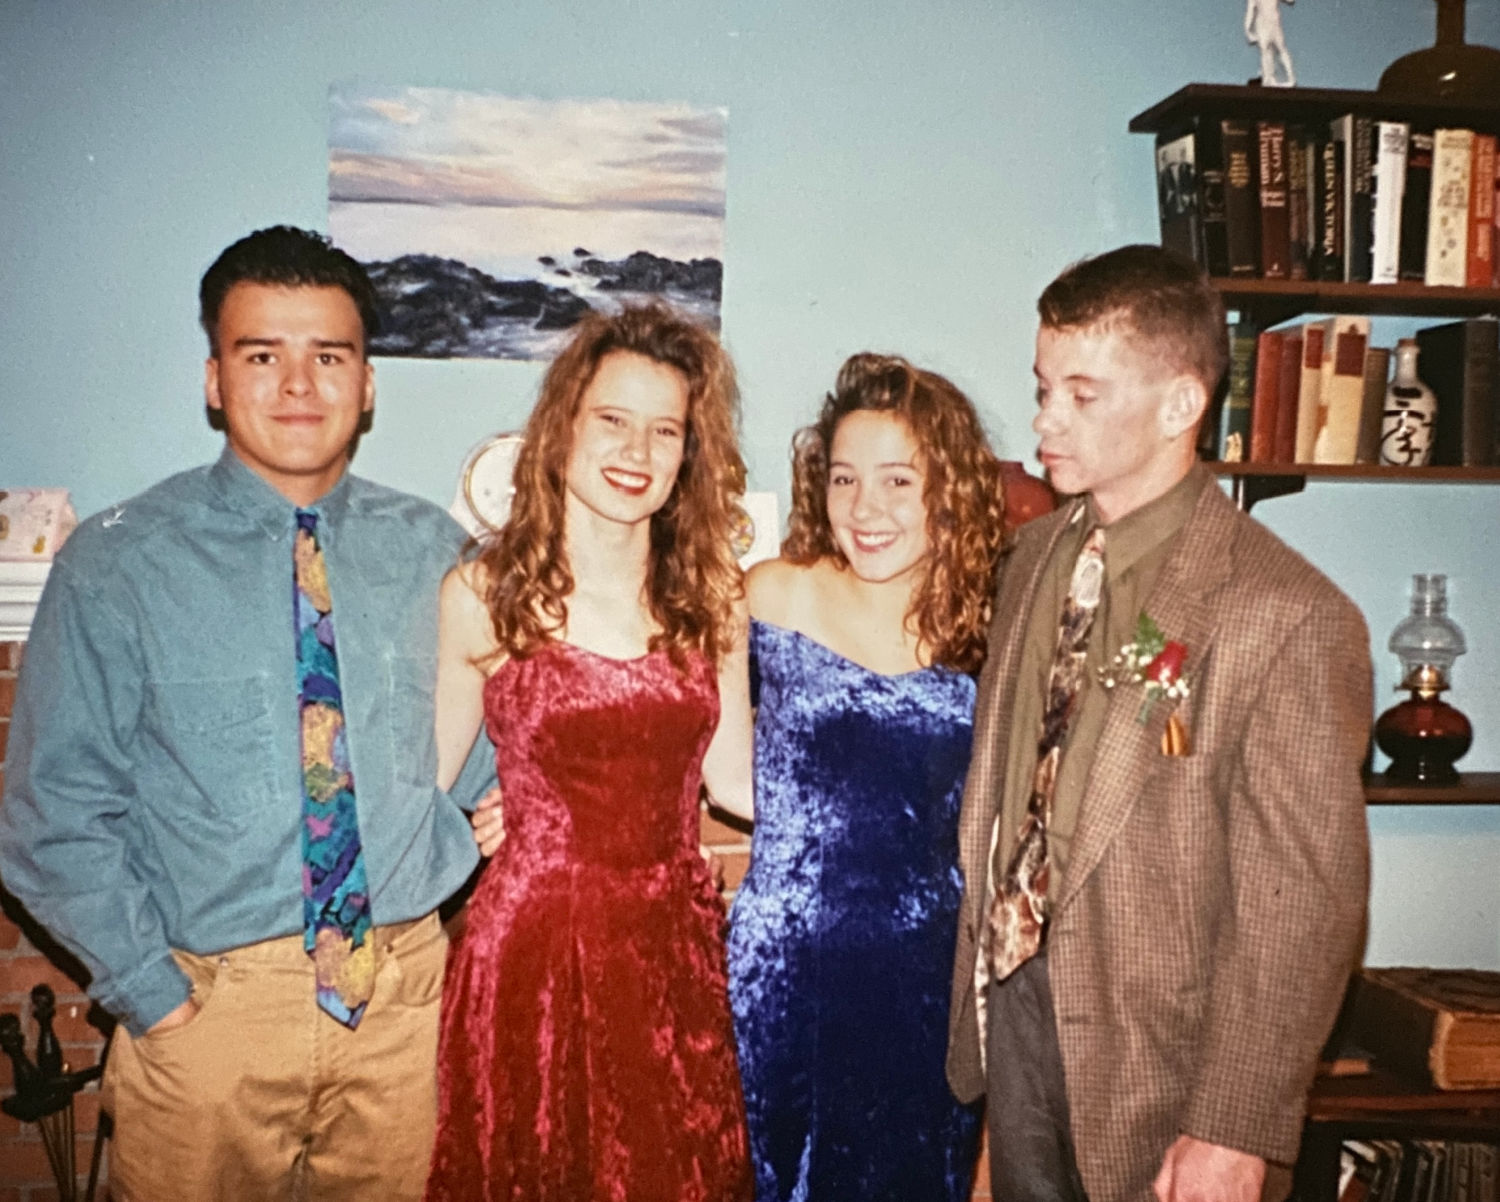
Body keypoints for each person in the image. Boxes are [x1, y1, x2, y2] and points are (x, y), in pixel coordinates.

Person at [0, 225, 490, 1199]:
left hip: (402, 1013)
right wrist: (158, 998)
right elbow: (50, 815)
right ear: (216, 378)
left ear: (369, 384)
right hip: (212, 1015)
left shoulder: (437, 549)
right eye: (263, 354)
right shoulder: (119, 562)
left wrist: (510, 801)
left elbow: (478, 739)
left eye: (330, 355)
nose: (299, 385)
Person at [945, 244, 1371, 1202]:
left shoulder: (1286, 613)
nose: (1046, 419)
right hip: (1012, 1019)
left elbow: (1299, 906)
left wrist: (1232, 1127)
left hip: (1167, 1072)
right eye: (1044, 386)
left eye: (1082, 395)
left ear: (1180, 404)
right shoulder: (1031, 559)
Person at [423, 302, 754, 1202]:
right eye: (611, 420)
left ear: (690, 452)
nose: (636, 452)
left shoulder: (712, 601)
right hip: (533, 960)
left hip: (671, 957)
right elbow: (422, 795)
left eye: (665, 430)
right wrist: (484, 827)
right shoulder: (484, 594)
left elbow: (736, 781)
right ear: (562, 428)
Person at [726, 353, 1004, 1201]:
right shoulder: (772, 594)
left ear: (947, 492)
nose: (864, 509)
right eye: (844, 480)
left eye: (896, 481)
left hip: (926, 974)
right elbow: (670, 735)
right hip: (787, 967)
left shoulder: (989, 623)